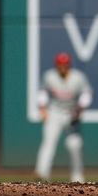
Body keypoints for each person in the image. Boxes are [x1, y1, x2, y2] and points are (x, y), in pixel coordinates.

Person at [35, 52, 93, 183]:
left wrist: (80, 109)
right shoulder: (50, 76)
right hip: (54, 112)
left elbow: (87, 94)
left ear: (69, 65)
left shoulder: (78, 77)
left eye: (65, 64)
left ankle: (77, 177)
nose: (62, 67)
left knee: (74, 145)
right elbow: (42, 92)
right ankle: (42, 174)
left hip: (71, 113)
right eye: (60, 64)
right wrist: (43, 108)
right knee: (48, 143)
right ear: (56, 65)